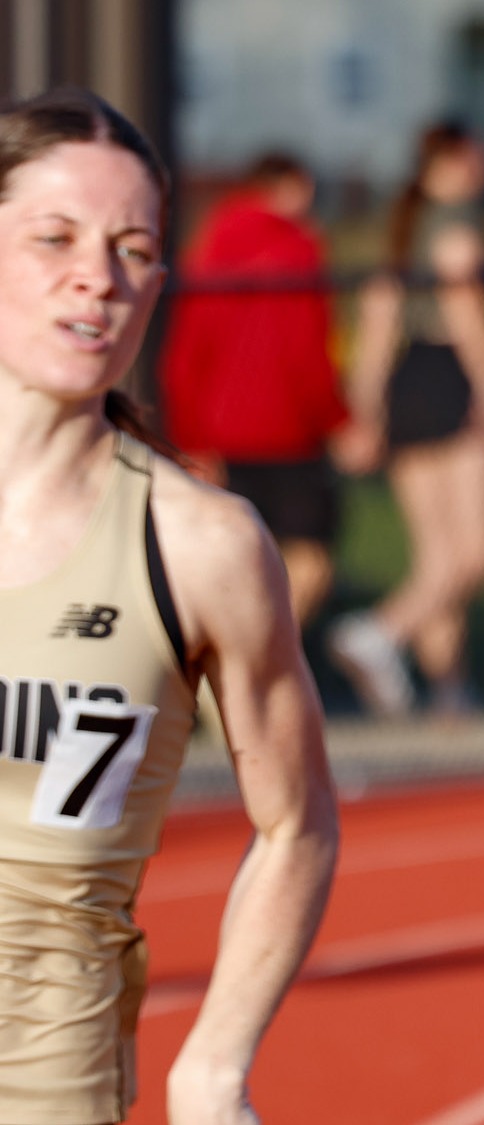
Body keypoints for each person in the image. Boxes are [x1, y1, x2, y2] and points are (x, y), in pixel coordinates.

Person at [0, 88, 338, 1123]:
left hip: (44, 1070)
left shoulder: (200, 546)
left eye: (134, 249)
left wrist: (215, 1062)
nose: (95, 279)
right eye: (53, 237)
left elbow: (298, 825)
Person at [330, 123, 484, 717]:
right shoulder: (455, 221)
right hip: (448, 377)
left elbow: (376, 321)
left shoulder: (400, 223)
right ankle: (379, 632)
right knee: (477, 554)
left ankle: (449, 692)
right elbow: (464, 305)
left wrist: (365, 407)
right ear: (457, 156)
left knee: (438, 559)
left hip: (409, 384)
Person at [159, 152, 350, 630]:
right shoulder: (299, 249)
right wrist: (338, 420)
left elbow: (185, 355)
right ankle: (268, 649)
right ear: (288, 185)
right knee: (308, 557)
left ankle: (229, 664)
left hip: (220, 435)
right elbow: (309, 350)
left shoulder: (206, 249)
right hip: (290, 431)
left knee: (233, 558)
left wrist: (190, 436)